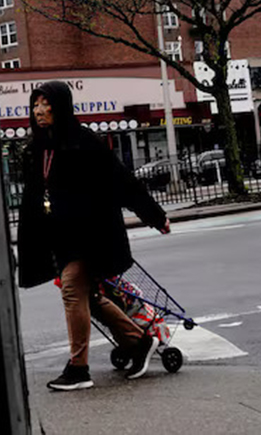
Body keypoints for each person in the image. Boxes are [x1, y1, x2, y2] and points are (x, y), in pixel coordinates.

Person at [17, 81, 171, 391]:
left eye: (47, 105)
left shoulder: (84, 142)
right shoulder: (36, 149)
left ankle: (78, 368)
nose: (40, 111)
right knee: (90, 297)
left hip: (91, 234)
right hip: (61, 237)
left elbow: (122, 182)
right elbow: (35, 197)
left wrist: (155, 216)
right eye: (36, 106)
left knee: (73, 290)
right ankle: (139, 343)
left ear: (61, 108)